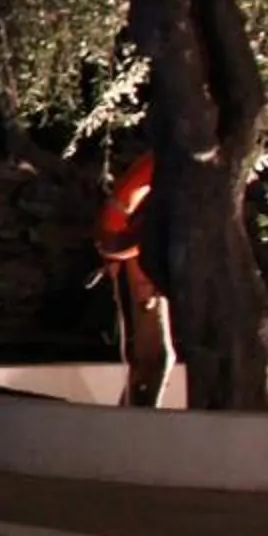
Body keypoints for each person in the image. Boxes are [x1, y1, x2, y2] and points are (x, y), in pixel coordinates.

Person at [95, 152, 174, 407]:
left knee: (154, 359)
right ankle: (136, 428)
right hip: (132, 255)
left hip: (134, 251)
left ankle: (131, 422)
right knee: (153, 358)